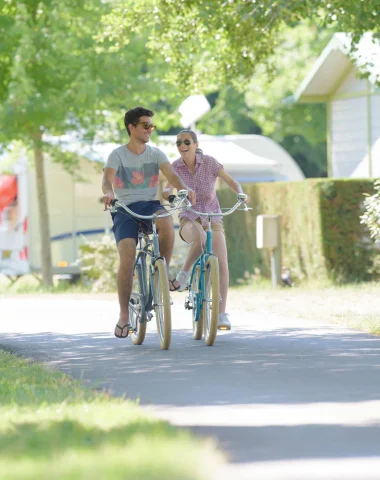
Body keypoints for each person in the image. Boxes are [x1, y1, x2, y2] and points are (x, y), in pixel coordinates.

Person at [102, 107, 196, 338]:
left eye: (151, 126)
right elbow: (107, 179)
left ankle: (161, 272)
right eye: (145, 125)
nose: (149, 130)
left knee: (165, 218)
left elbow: (172, 177)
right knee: (126, 258)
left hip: (149, 205)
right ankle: (124, 316)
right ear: (131, 128)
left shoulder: (156, 154)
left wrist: (185, 188)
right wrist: (108, 194)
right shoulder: (117, 155)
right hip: (124, 209)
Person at [162, 129, 249, 331]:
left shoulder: (209, 162)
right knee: (200, 238)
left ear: (195, 144)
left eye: (186, 142)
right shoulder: (175, 167)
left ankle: (221, 314)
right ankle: (184, 274)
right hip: (189, 218)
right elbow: (167, 189)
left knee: (222, 262)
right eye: (178, 143)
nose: (182, 146)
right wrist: (172, 196)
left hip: (212, 216)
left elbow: (230, 181)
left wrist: (241, 194)